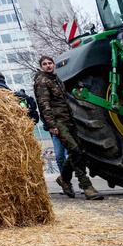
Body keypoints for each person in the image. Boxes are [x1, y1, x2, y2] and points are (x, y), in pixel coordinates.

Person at [33, 55, 103, 200]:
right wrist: (51, 125)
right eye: (44, 64)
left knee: (79, 151)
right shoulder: (42, 81)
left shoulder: (56, 79)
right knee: (75, 150)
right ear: (41, 67)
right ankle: (86, 186)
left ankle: (64, 179)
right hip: (58, 122)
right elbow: (44, 104)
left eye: (50, 63)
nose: (48, 66)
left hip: (68, 120)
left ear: (54, 65)